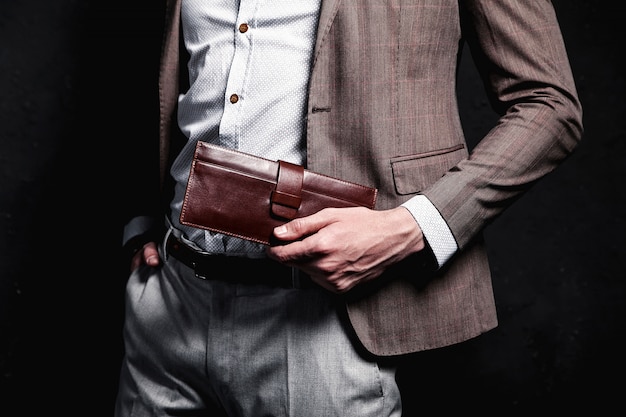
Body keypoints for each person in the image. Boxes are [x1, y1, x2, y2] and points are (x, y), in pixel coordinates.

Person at [114, 0, 583, 416]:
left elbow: (549, 104)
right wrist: (141, 220)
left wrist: (412, 228)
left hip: (322, 322)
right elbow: (178, 76)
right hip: (168, 303)